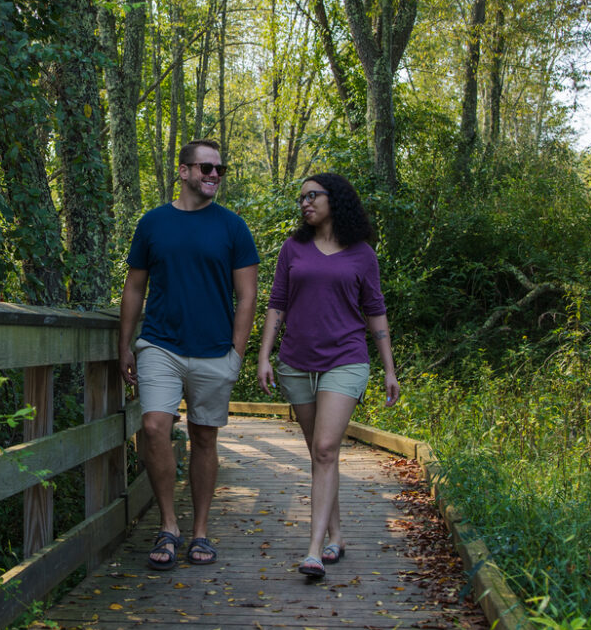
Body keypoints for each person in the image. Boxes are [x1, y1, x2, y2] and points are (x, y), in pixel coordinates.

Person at [118, 139, 260, 571]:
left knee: (203, 437)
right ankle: (168, 524)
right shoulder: (154, 223)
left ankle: (200, 531)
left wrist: (237, 352)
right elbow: (134, 287)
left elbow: (248, 295)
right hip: (160, 343)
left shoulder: (233, 227)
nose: (214, 175)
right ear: (183, 172)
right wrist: (125, 342)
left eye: (219, 169)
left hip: (215, 351)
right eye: (205, 168)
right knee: (154, 425)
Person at [256, 172, 398, 580]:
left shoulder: (361, 254)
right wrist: (264, 355)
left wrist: (389, 368)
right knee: (322, 455)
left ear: (335, 199)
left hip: (346, 359)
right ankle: (336, 534)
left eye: (312, 196)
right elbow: (277, 303)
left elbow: (375, 311)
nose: (304, 203)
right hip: (296, 360)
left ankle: (314, 549)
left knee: (324, 448)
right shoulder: (293, 248)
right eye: (301, 198)